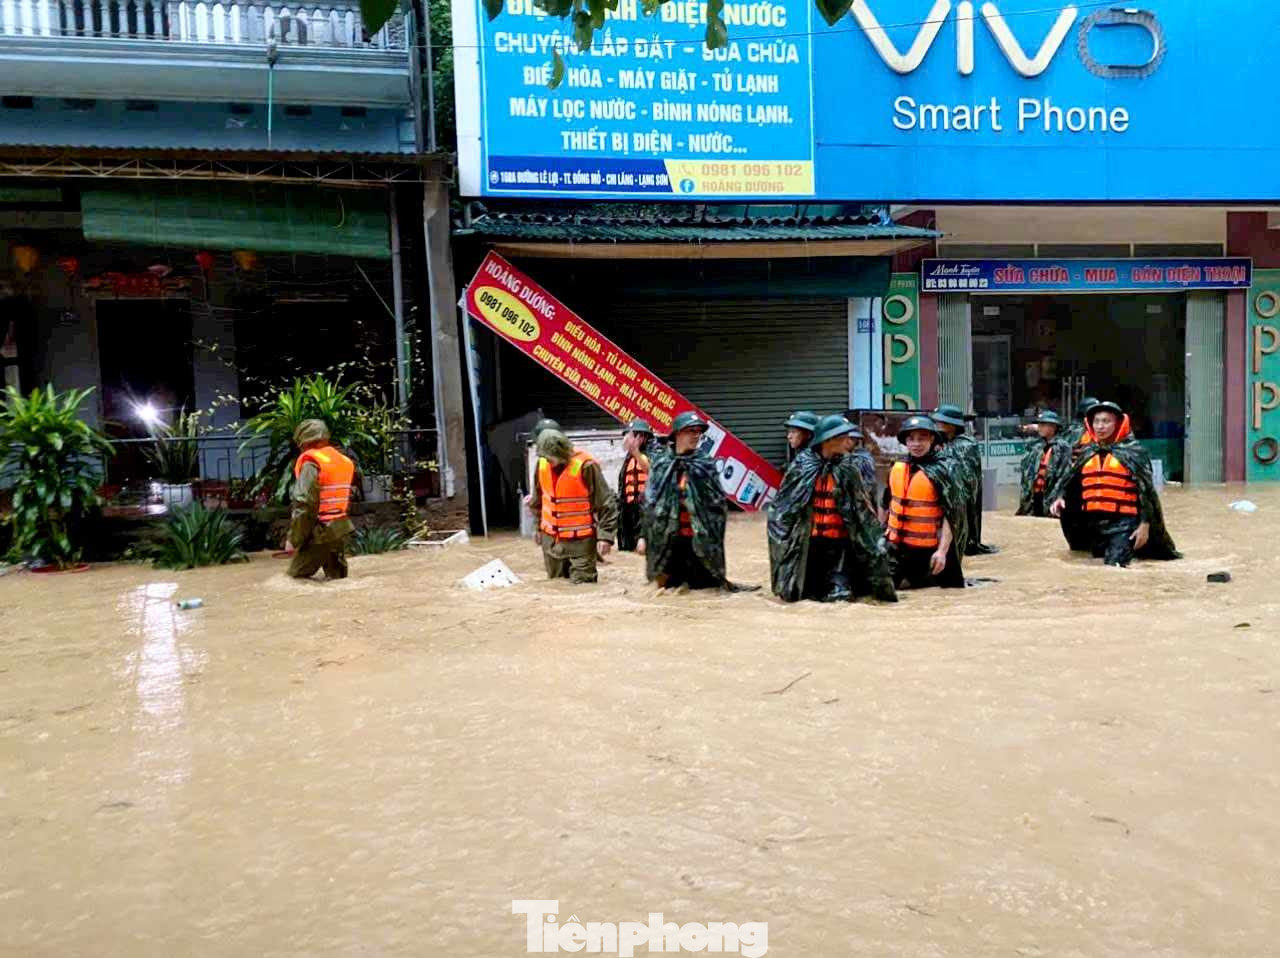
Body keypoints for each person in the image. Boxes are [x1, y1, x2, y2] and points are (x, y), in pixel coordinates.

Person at [768, 414, 896, 603]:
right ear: (828, 440)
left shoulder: (848, 468)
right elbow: (782, 511)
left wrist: (877, 543)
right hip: (810, 545)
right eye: (844, 437)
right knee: (799, 597)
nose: (849, 441)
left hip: (841, 547)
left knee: (840, 598)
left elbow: (863, 513)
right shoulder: (803, 466)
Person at [1049, 401, 1180, 567]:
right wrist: (1060, 497)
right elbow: (1069, 481)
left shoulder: (1134, 452)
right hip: (1093, 524)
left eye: (1106, 421)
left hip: (1124, 524)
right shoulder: (1087, 452)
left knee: (1114, 566)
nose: (1100, 426)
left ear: (1118, 423)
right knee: (1087, 564)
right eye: (1096, 421)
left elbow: (1147, 492)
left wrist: (1145, 525)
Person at [644, 411, 741, 590]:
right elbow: (650, 504)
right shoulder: (661, 464)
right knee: (667, 593)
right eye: (691, 431)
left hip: (699, 544)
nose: (696, 435)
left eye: (699, 432)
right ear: (677, 433)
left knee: (706, 593)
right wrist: (644, 538)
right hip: (669, 544)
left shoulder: (705, 464)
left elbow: (718, 507)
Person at [881, 415, 968, 589]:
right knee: (882, 591)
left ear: (932, 439)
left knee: (947, 595)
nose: (916, 444)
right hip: (897, 547)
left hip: (931, 550)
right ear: (905, 441)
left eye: (922, 438)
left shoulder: (945, 469)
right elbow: (886, 504)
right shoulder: (898, 467)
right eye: (911, 439)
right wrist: (880, 536)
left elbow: (952, 517)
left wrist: (942, 552)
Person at [527, 429, 618, 583]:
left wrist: (606, 537)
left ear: (561, 453)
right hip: (551, 543)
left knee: (583, 589)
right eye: (544, 457)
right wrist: (536, 528)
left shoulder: (586, 466)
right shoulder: (542, 465)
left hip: (580, 544)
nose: (547, 461)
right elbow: (538, 500)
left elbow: (606, 503)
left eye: (550, 458)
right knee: (556, 588)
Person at [286, 419, 355, 580]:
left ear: (303, 440)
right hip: (339, 529)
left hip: (320, 532)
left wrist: (293, 539)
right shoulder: (342, 461)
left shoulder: (311, 463)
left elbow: (304, 503)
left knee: (293, 580)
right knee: (337, 579)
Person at [932, 403, 995, 555]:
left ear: (952, 426)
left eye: (941, 422)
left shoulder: (964, 445)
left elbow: (964, 480)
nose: (937, 425)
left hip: (962, 500)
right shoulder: (949, 442)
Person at [1016, 410, 1072, 517]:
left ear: (1053, 427)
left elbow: (1064, 475)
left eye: (1043, 424)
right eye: (1039, 424)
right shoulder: (1036, 446)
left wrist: (1058, 496)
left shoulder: (1063, 447)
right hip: (1034, 495)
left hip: (1051, 495)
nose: (1040, 427)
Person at [615, 418, 655, 553]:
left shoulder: (653, 452)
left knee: (643, 548)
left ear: (641, 436)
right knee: (627, 547)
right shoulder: (628, 457)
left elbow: (652, 472)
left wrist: (636, 452)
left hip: (646, 508)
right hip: (628, 507)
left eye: (630, 435)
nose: (626, 439)